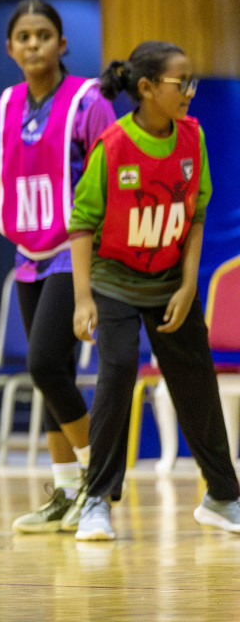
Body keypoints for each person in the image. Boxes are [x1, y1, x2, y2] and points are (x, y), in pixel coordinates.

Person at [0, 0, 116, 533]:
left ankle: (100, 482)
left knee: (44, 363)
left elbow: (109, 183)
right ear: (10, 48)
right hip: (28, 256)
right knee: (54, 376)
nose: (33, 44)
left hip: (76, 251)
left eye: (43, 35)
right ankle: (67, 492)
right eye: (23, 36)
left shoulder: (88, 101)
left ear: (62, 44)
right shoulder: (5, 104)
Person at [69, 42, 240, 540]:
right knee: (118, 370)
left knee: (196, 382)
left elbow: (197, 214)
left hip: (170, 283)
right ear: (145, 88)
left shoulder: (192, 136)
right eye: (179, 82)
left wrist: (190, 284)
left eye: (192, 82)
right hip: (115, 281)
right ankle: (95, 499)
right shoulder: (114, 146)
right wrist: (83, 299)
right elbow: (81, 225)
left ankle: (222, 496)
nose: (189, 91)